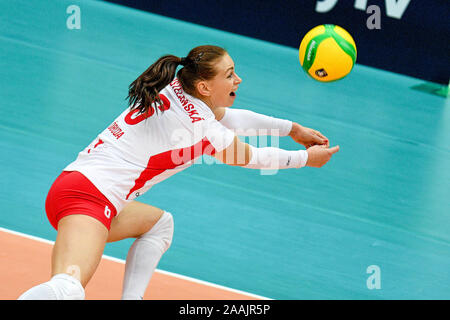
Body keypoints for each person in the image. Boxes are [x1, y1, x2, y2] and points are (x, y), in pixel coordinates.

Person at [18, 45, 339, 300]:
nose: (237, 80)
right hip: (88, 198)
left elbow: (232, 118)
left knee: (159, 226)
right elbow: (249, 157)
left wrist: (291, 128)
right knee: (68, 289)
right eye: (229, 75)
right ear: (204, 86)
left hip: (84, 189)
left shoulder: (178, 87)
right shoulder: (200, 126)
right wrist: (304, 159)